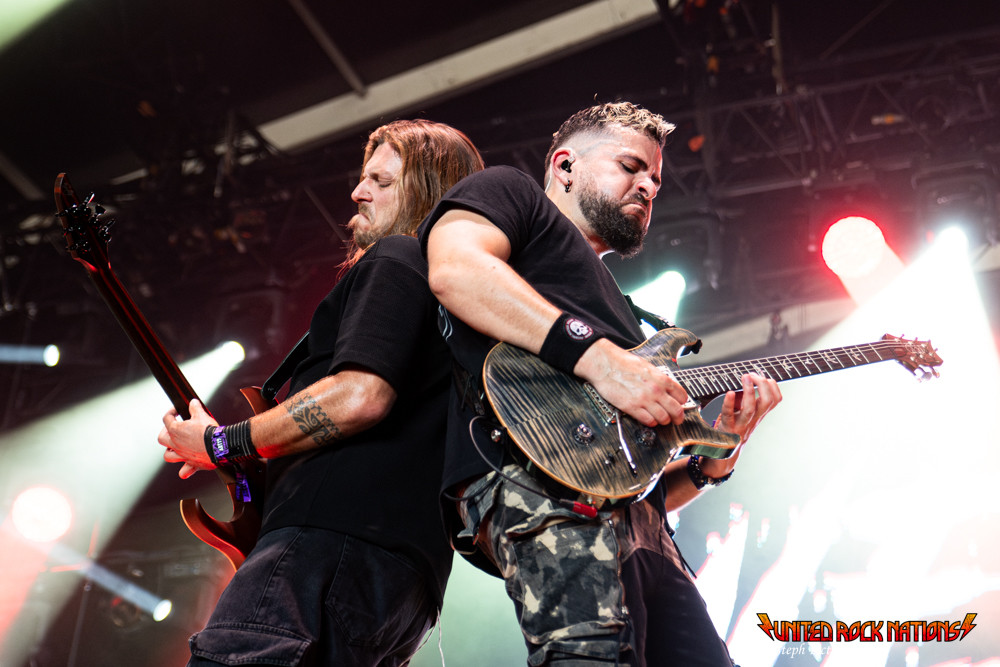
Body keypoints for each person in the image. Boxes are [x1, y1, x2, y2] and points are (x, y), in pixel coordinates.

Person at [419, 101, 782, 666]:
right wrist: (600, 360)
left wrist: (714, 461)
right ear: (565, 166)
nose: (649, 187)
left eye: (656, 180)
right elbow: (456, 270)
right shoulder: (510, 193)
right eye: (631, 166)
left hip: (644, 531)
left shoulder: (624, 312)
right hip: (540, 489)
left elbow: (633, 480)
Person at [157, 119, 484, 666]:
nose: (358, 192)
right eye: (364, 177)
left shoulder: (398, 256)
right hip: (406, 582)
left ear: (427, 193)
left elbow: (360, 396)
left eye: (381, 181)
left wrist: (219, 443)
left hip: (324, 551)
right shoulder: (460, 306)